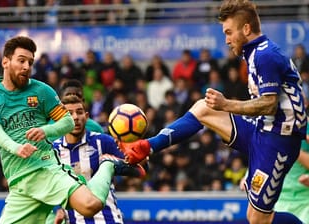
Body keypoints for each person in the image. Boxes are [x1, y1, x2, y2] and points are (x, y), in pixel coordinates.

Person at [119, 1, 307, 224]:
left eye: (229, 32)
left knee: (258, 219)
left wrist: (226, 104)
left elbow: (269, 104)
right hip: (262, 131)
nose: (226, 40)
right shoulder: (256, 53)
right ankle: (148, 145)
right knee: (203, 108)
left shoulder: (265, 56)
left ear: (246, 29)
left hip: (278, 142)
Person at [0, 36, 143, 224]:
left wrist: (45, 130)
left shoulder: (41, 91)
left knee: (90, 205)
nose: (26, 66)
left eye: (30, 62)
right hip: (18, 182)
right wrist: (16, 148)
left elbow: (67, 122)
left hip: (44, 168)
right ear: (5, 62)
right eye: (21, 60)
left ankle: (108, 165)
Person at [52, 95, 145, 224]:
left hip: (107, 219)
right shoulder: (53, 150)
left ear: (87, 116)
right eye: (69, 113)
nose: (75, 117)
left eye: (79, 112)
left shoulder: (103, 142)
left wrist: (139, 154)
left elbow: (138, 169)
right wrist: (58, 210)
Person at [274, 118, 309, 223]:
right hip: (279, 197)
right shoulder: (272, 124)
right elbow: (263, 156)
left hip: (304, 200)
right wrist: (248, 175)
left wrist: (291, 146)